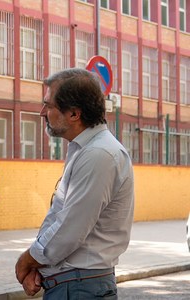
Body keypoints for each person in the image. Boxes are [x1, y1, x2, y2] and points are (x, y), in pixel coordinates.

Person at [14, 68, 135, 299]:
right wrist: (37, 265)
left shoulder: (99, 154)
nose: (42, 112)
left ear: (74, 114)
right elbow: (58, 215)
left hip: (80, 287)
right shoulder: (85, 149)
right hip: (74, 284)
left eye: (49, 106)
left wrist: (28, 260)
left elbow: (69, 229)